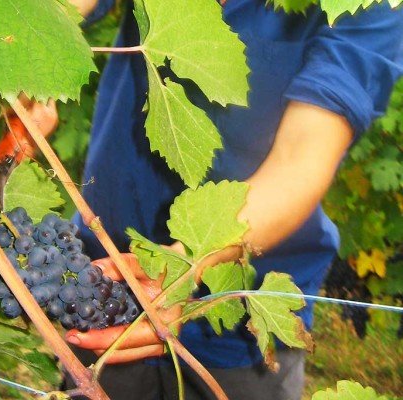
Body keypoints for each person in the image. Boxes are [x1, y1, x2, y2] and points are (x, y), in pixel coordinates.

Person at [61, 1, 403, 399]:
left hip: (244, 323)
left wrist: (184, 265)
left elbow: (302, 157)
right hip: (104, 276)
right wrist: (28, 59)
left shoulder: (375, 5)